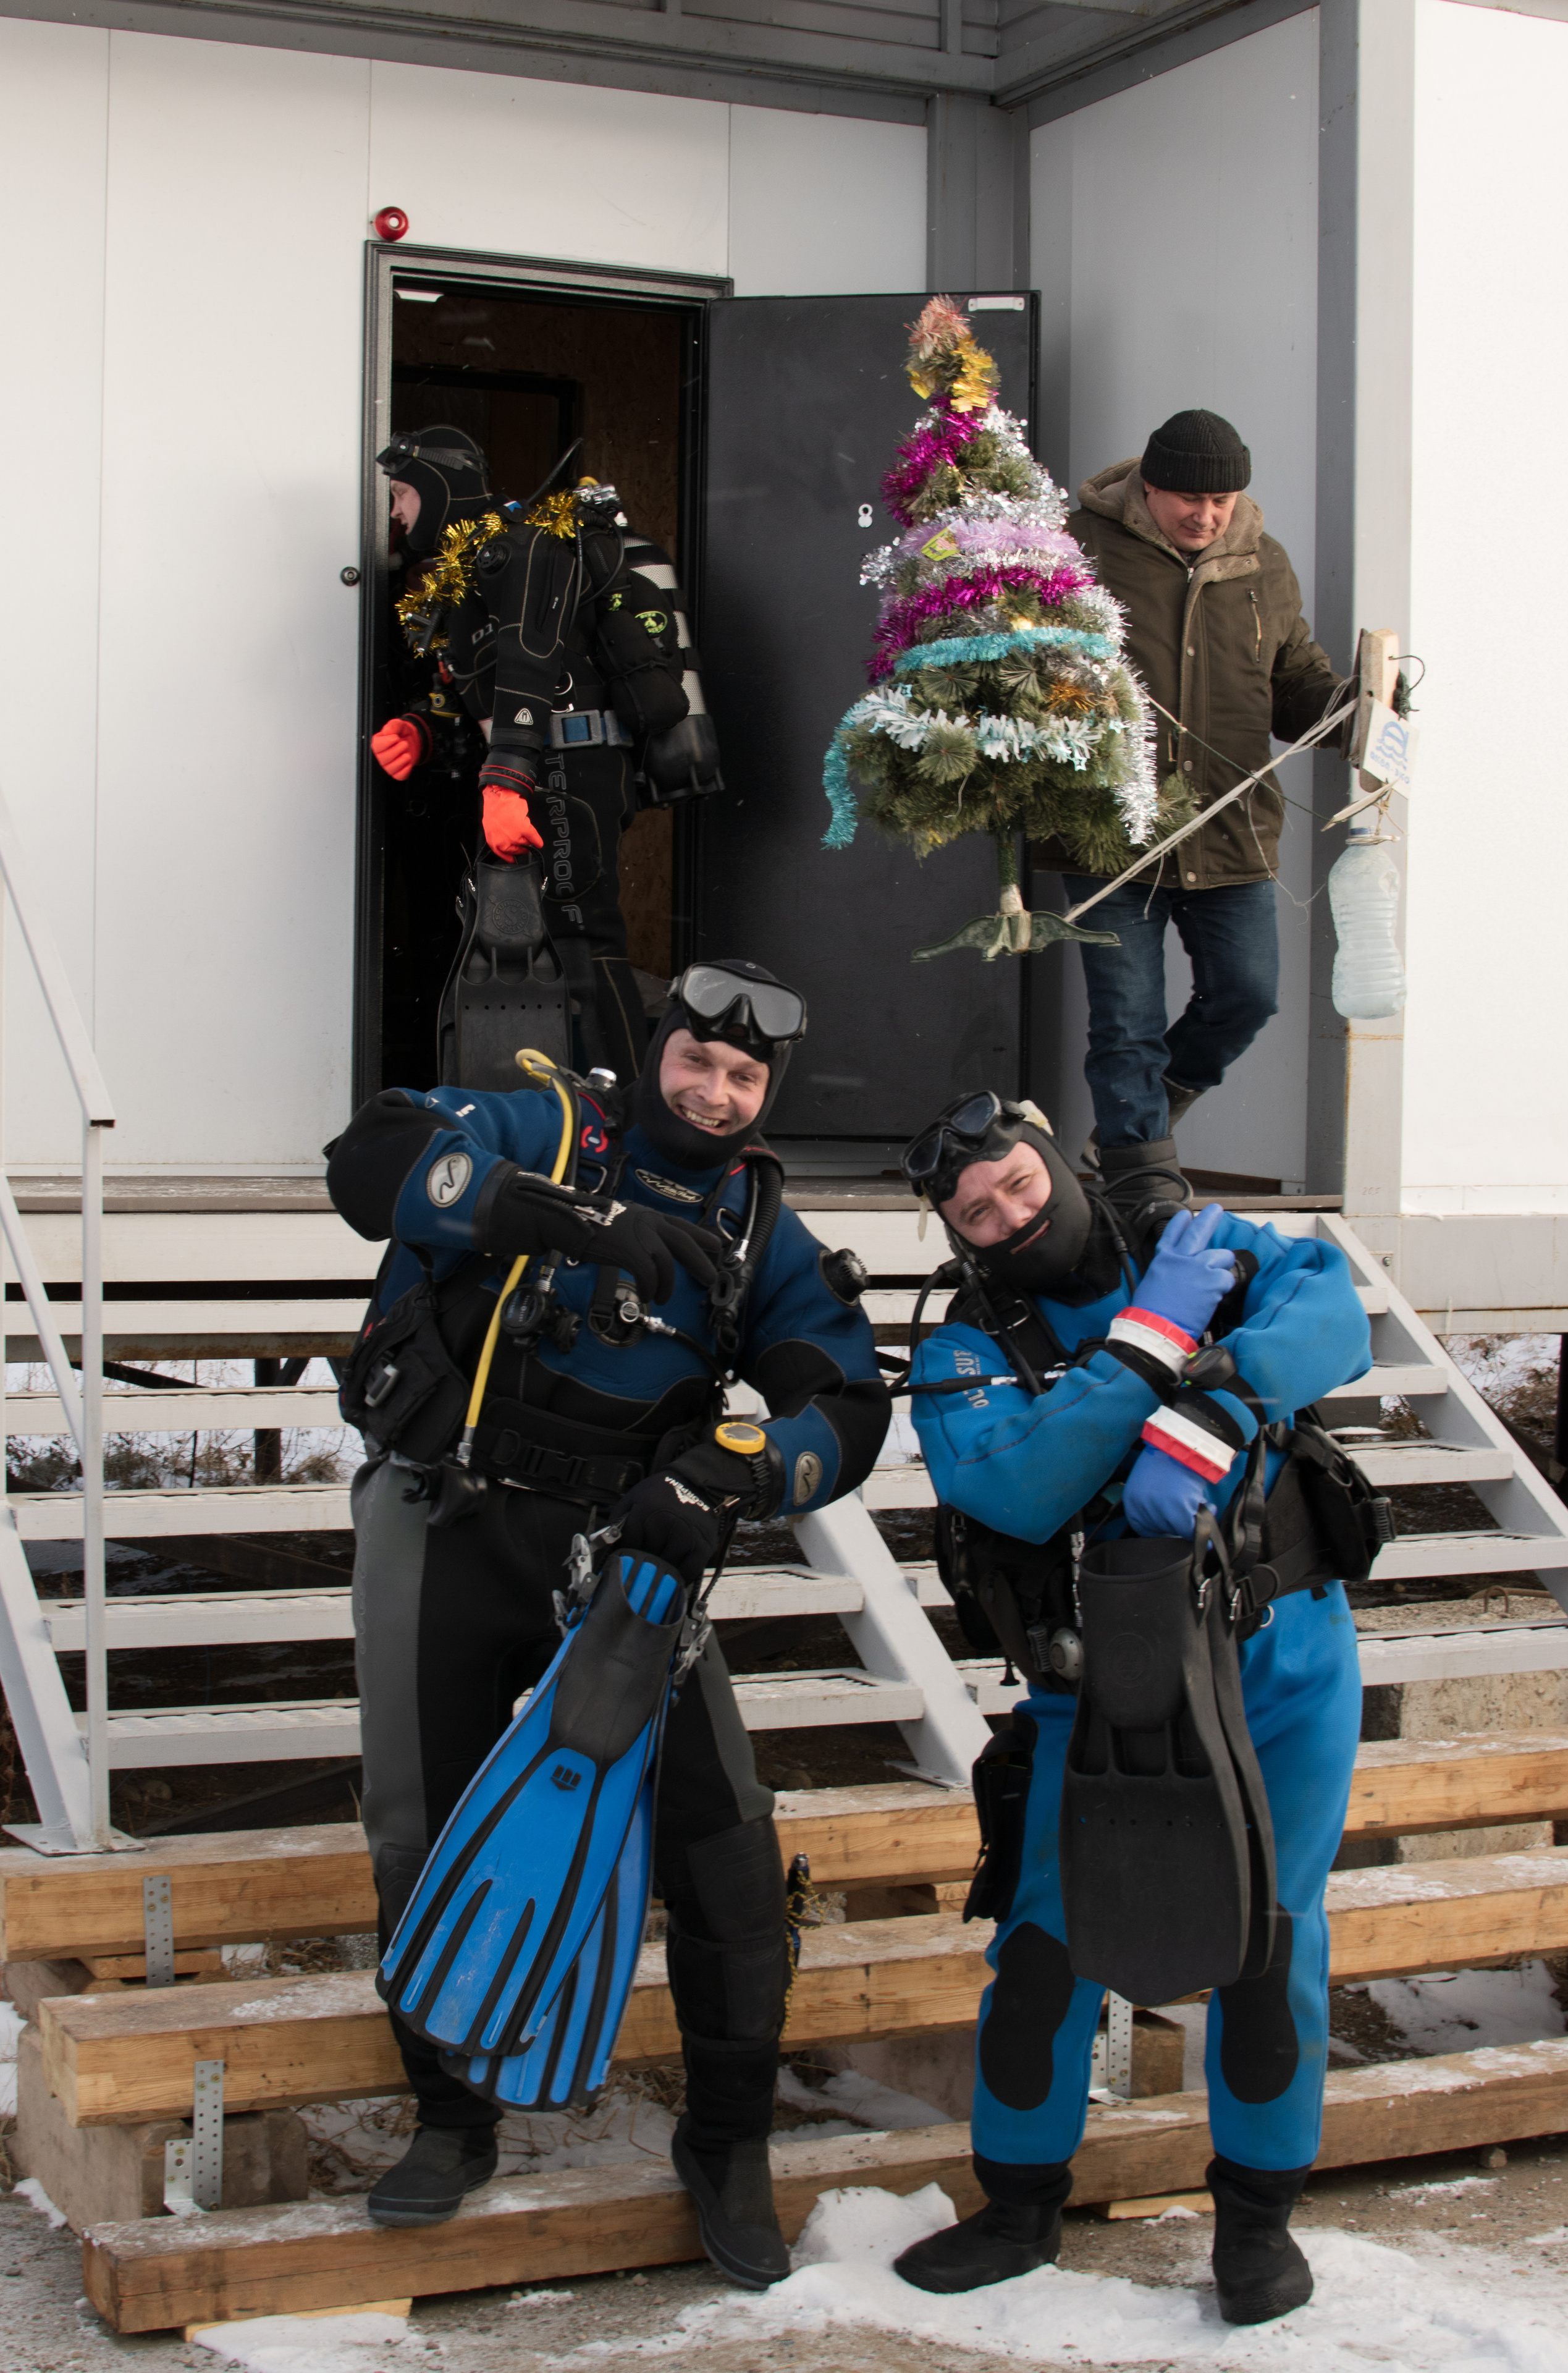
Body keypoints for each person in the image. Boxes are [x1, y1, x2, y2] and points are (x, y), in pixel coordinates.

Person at [326, 958, 887, 2286]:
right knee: (419, 1821)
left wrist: (728, 1474)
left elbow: (844, 1400)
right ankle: (452, 2118)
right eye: (694, 1058)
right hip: (448, 1513)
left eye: (743, 1077)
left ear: (764, 1100)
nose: (712, 1088)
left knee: (728, 1847)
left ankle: (728, 2143)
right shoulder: (550, 1125)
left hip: (620, 1558)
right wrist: (568, 1225)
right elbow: (374, 1160)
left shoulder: (758, 1230)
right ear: (655, 1054)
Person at [888, 1089, 1372, 2326]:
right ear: (955, 1233)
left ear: (1049, 1152)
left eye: (1017, 1183)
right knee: (1044, 1943)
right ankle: (1017, 2207)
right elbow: (1016, 1484)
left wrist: (1217, 1404)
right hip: (1096, 1686)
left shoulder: (1194, 1237)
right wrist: (1151, 1345)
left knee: (1273, 1934)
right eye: (975, 1212)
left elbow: (1329, 1317)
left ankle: (1254, 2225)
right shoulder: (960, 1347)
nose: (1007, 1215)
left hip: (1284, 1655)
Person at [1035, 409, 1347, 1188]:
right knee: (1126, 1024)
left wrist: (1353, 708)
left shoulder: (1263, 563)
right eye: (1187, 500)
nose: (1205, 516)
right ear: (1149, 487)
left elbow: (1293, 685)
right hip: (1112, 828)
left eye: (1223, 500)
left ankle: (1146, 1117)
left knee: (1247, 995)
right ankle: (1139, 1184)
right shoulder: (1079, 548)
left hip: (1230, 827)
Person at [374, 427, 722, 1080]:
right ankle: (547, 1106)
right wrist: (425, 731)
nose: (396, 513)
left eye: (401, 494)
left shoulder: (522, 549)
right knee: (533, 949)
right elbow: (482, 697)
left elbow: (529, 666)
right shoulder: (470, 568)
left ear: (437, 487)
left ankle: (628, 1126)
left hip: (569, 768)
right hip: (536, 768)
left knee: (587, 947)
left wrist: (505, 782)